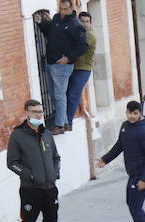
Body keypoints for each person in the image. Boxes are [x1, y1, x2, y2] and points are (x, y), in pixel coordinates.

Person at [6, 98, 71, 222]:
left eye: (41, 112)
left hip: (50, 188)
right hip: (30, 190)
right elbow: (12, 162)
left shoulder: (47, 134)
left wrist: (55, 172)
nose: (39, 115)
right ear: (27, 113)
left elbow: (56, 157)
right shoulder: (18, 135)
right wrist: (29, 175)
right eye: (35, 112)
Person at [95, 100, 145, 222]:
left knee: (135, 207)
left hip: (141, 175)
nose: (132, 116)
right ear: (126, 112)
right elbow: (119, 146)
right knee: (132, 204)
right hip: (133, 174)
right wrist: (105, 159)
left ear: (140, 113)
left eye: (135, 113)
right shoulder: (125, 127)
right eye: (130, 113)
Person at [38, 0, 88, 133]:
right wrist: (42, 23)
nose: (62, 11)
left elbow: (83, 46)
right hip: (51, 62)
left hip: (62, 65)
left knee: (59, 95)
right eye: (60, 9)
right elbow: (50, 33)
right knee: (54, 94)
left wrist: (68, 58)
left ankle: (60, 125)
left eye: (65, 9)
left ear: (72, 8)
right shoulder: (56, 19)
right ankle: (64, 122)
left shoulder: (75, 24)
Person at [68, 11, 96, 125]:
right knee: (68, 94)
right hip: (74, 68)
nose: (85, 24)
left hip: (83, 69)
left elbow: (78, 48)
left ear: (90, 23)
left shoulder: (89, 35)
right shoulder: (78, 33)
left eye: (87, 22)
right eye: (82, 21)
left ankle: (68, 122)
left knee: (73, 94)